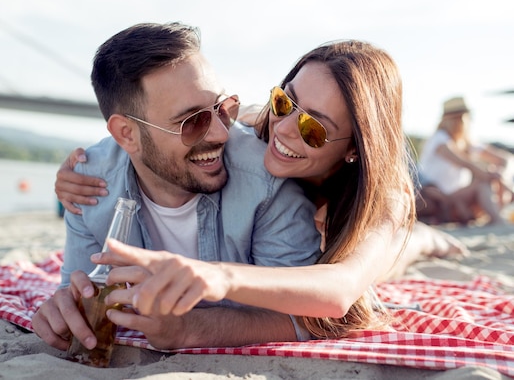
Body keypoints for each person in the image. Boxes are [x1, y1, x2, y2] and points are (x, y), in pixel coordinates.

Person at [56, 39, 468, 341]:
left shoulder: (385, 198)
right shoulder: (259, 129)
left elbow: (341, 290)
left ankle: (429, 238)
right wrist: (93, 164)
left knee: (393, 258)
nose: (285, 129)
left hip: (353, 227)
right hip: (299, 224)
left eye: (314, 128)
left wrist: (219, 278)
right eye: (286, 103)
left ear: (355, 149)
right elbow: (161, 127)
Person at [32, 22, 323, 351]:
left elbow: (309, 317)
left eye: (223, 109)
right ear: (127, 134)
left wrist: (191, 329)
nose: (219, 134)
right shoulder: (87, 185)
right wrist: (66, 309)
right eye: (192, 121)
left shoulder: (267, 179)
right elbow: (81, 294)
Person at [418, 96, 514, 226]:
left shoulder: (467, 142)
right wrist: (490, 175)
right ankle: (497, 220)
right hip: (440, 198)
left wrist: (501, 174)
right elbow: (465, 163)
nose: (461, 122)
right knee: (484, 182)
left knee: (490, 178)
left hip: (460, 196)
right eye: (457, 118)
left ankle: (496, 218)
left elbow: (506, 159)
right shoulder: (439, 140)